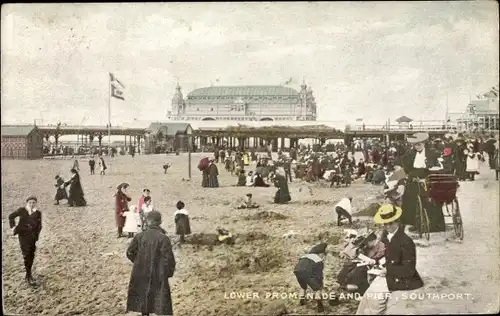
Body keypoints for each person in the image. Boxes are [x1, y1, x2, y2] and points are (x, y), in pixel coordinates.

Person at [356, 204, 423, 315]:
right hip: (390, 273)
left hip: (404, 278)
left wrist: (388, 270)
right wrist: (376, 262)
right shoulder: (387, 235)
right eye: (385, 223)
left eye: (390, 223)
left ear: (397, 221)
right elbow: (389, 256)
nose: (387, 226)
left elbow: (409, 270)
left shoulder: (406, 242)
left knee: (375, 298)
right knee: (367, 295)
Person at [126, 211, 176, 316]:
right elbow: (169, 259)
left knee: (144, 297)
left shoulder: (139, 236)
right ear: (160, 222)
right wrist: (167, 273)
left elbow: (130, 252)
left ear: (147, 222)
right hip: (158, 273)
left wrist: (138, 262)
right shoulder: (163, 238)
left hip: (141, 271)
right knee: (159, 300)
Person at [400, 132, 445, 233]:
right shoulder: (410, 154)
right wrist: (410, 173)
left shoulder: (432, 152)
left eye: (419, 144)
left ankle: (436, 225)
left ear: (424, 143)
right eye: (415, 145)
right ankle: (415, 223)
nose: (417, 146)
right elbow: (405, 165)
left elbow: (438, 165)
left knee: (432, 198)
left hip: (429, 177)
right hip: (415, 177)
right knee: (409, 197)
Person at [8, 196, 42, 285]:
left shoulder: (38, 213)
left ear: (36, 203)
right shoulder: (21, 210)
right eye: (30, 202)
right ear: (27, 203)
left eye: (33, 202)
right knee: (26, 255)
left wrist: (36, 236)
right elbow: (11, 217)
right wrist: (14, 228)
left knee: (31, 254)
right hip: (23, 236)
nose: (31, 204)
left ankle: (29, 273)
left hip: (32, 237)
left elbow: (39, 226)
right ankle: (28, 276)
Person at [293, 243, 328, 312]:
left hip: (297, 271)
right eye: (323, 254)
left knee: (303, 287)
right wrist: (320, 284)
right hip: (307, 273)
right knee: (317, 289)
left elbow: (300, 265)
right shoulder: (318, 260)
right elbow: (319, 274)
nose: (323, 256)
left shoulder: (305, 256)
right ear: (320, 253)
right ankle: (320, 305)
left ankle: (301, 301)